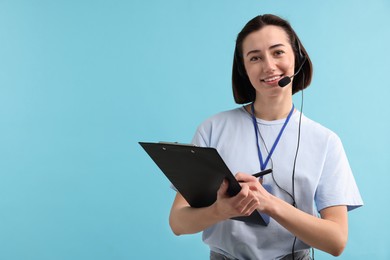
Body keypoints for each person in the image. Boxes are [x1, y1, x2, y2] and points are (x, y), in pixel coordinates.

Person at [169, 14, 363, 260]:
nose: (269, 66)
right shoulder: (212, 129)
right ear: (244, 69)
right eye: (255, 58)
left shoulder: (325, 141)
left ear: (297, 57)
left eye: (278, 52)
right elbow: (178, 222)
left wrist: (269, 203)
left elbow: (336, 241)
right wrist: (220, 210)